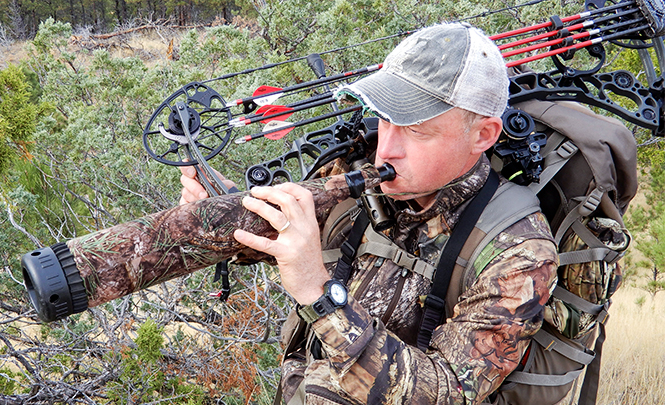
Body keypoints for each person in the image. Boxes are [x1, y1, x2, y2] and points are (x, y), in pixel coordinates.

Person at [180, 23, 558, 404]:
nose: (386, 150)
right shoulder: (359, 166)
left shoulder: (521, 251)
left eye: (414, 129)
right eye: (384, 118)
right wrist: (220, 210)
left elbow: (448, 392)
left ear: (482, 135)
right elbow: (290, 229)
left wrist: (320, 296)